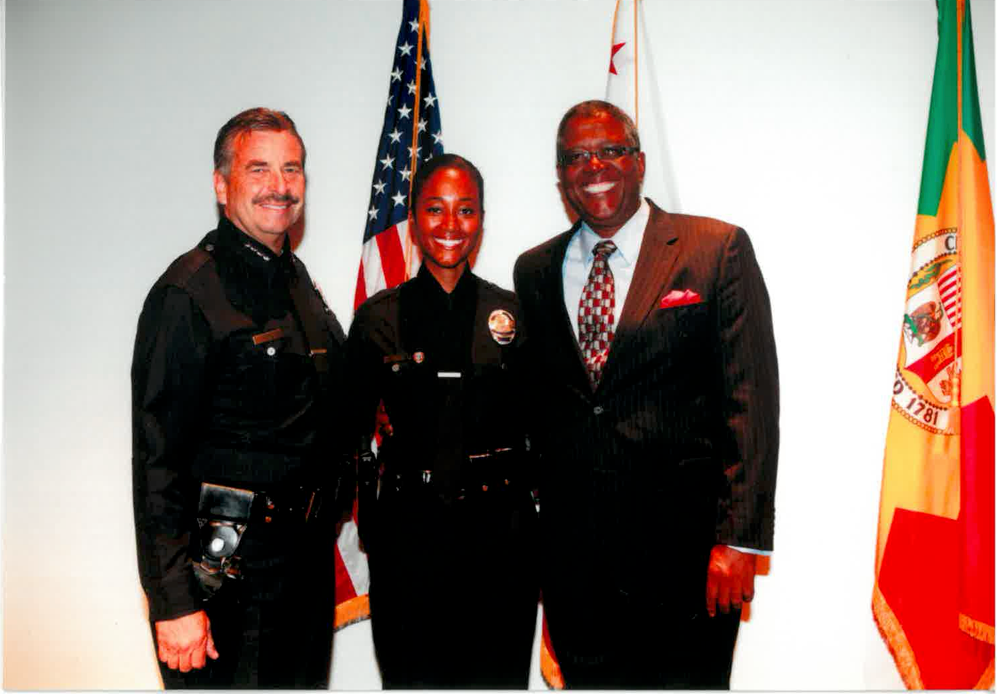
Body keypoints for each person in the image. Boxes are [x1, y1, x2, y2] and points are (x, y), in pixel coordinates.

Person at [513, 100, 779, 689]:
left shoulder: (714, 250)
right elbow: (539, 407)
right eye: (576, 157)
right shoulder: (533, 271)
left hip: (687, 563)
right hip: (576, 567)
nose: (595, 166)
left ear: (637, 160)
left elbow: (751, 401)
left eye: (609, 150)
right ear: (561, 176)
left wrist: (738, 539)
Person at [131, 107, 349, 689]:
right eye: (259, 169)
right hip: (228, 577)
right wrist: (173, 602)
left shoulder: (297, 281)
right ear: (221, 184)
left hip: (301, 570)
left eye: (292, 169)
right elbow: (157, 461)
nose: (280, 186)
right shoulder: (189, 292)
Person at [347, 154, 539, 688]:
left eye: (466, 210)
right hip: (410, 536)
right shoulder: (378, 319)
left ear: (481, 219)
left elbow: (543, 424)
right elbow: (348, 429)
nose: (450, 225)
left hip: (501, 536)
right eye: (435, 209)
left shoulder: (514, 316)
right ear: (413, 220)